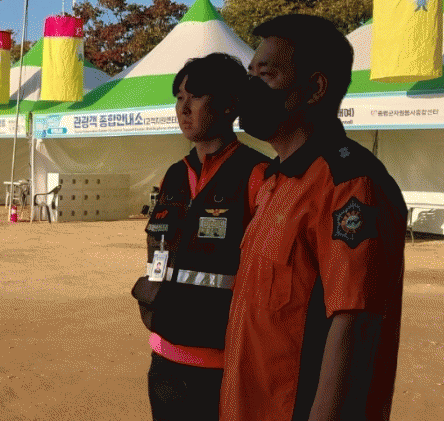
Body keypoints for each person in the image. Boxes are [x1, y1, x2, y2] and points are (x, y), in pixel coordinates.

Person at [219, 15, 408, 421]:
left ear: (315, 88)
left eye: (266, 75)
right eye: (250, 74)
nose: (250, 87)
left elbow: (354, 325)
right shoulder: (276, 181)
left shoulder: (349, 184)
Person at [131, 52, 269, 421]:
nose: (184, 107)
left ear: (228, 105)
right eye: (179, 97)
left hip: (224, 364)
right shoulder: (174, 176)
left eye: (196, 96)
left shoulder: (258, 175)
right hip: (164, 359)